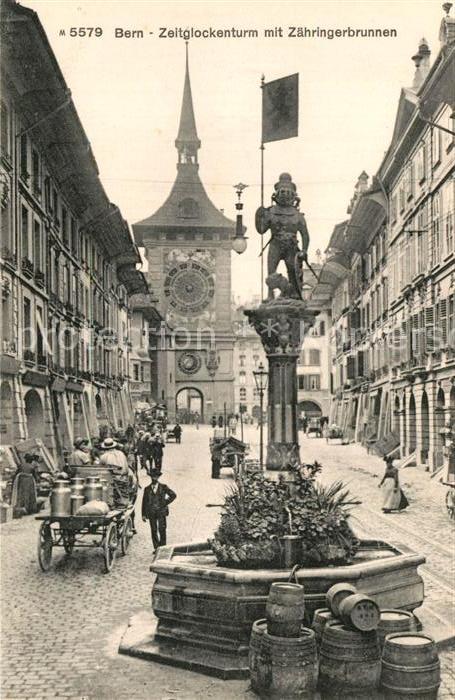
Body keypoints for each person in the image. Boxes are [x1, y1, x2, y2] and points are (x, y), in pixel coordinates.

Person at [142, 469, 176, 551]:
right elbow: (144, 502)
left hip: (161, 512)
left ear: (158, 477)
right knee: (153, 530)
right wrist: (143, 514)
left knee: (162, 529)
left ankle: (163, 547)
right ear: (150, 477)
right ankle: (156, 548)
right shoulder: (147, 489)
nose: (154, 478)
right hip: (151, 512)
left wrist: (165, 502)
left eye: (156, 477)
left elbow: (173, 495)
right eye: (153, 477)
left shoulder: (163, 487)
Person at [99, 438, 129, 507]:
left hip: (113, 480)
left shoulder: (104, 456)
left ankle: (111, 504)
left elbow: (101, 470)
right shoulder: (121, 453)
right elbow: (126, 467)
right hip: (124, 478)